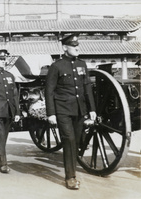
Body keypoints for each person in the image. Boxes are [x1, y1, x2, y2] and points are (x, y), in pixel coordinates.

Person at [45, 33, 97, 190]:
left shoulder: (82, 64)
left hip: (79, 110)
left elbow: (87, 88)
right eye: (73, 46)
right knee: (69, 140)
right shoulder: (57, 66)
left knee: (77, 141)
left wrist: (92, 109)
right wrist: (51, 113)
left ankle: (71, 171)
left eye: (77, 46)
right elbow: (49, 91)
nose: (76, 48)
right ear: (65, 48)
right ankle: (70, 177)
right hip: (63, 111)